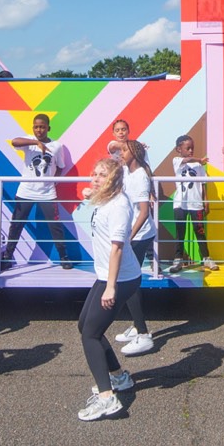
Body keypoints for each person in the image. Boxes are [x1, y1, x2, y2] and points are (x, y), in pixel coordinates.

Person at [73, 158, 140, 422]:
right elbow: (98, 201)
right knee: (84, 326)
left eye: (102, 175)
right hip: (105, 275)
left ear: (114, 180)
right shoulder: (107, 199)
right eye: (94, 173)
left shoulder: (120, 206)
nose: (95, 178)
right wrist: (92, 194)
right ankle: (119, 377)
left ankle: (106, 398)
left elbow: (117, 248)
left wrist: (110, 288)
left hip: (119, 279)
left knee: (90, 334)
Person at [107, 123, 158, 356]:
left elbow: (144, 213)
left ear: (134, 155)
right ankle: (137, 326)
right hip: (135, 235)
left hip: (140, 235)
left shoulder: (139, 178)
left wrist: (128, 236)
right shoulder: (129, 171)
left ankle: (144, 334)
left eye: (125, 151)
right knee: (128, 281)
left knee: (128, 281)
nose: (121, 154)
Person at [4, 114, 73, 268]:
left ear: (48, 128)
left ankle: (64, 257)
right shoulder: (28, 142)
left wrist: (52, 183)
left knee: (55, 225)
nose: (39, 130)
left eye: (42, 126)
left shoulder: (57, 146)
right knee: (16, 224)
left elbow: (60, 167)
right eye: (36, 127)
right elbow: (14, 142)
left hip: (47, 193)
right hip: (26, 191)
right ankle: (7, 257)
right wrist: (36, 142)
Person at [166, 134, 213, 272]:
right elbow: (187, 159)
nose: (191, 150)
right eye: (188, 148)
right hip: (181, 203)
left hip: (196, 203)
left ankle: (206, 258)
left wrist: (206, 201)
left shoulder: (198, 166)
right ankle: (178, 259)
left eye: (192, 148)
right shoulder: (177, 161)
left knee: (199, 231)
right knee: (180, 232)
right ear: (179, 149)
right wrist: (199, 159)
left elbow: (203, 184)